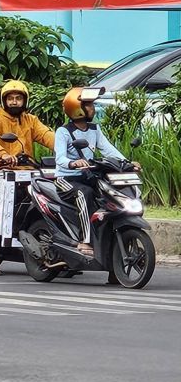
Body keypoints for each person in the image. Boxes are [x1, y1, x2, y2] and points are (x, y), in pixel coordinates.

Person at [55, 86, 138, 256]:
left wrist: (127, 163)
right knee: (84, 194)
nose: (92, 108)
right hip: (66, 179)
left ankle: (111, 245)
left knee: (111, 197)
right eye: (88, 105)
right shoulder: (64, 131)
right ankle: (85, 241)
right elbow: (60, 158)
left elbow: (108, 149)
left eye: (92, 104)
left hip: (89, 176)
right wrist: (73, 163)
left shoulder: (94, 129)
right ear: (76, 107)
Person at [0, 80, 55, 275]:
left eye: (18, 98)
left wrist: (66, 149)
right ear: (4, 100)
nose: (15, 102)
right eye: (11, 98)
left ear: (25, 100)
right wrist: (3, 154)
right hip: (3, 171)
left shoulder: (30, 120)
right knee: (2, 211)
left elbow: (47, 136)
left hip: (30, 171)